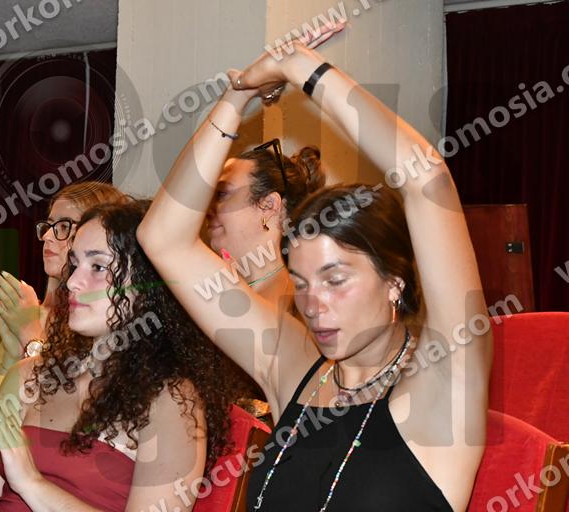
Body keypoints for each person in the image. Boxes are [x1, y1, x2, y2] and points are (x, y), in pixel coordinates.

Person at [137, 26, 491, 511]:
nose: (313, 304)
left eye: (335, 279)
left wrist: (299, 66)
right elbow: (163, 238)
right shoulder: (299, 369)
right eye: (301, 283)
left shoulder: (444, 380)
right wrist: (235, 98)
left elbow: (427, 179)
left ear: (394, 280)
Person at [0, 200, 235, 511]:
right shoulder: (28, 375)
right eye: (74, 264)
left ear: (148, 284)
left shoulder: (173, 400)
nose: (72, 282)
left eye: (98, 267)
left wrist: (32, 483)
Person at [0, 182, 128, 374]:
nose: (46, 236)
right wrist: (11, 356)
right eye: (49, 225)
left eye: (63, 226)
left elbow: (71, 388)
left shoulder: (101, 318)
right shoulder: (30, 310)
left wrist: (30, 336)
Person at [206, 141, 324, 311]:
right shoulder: (220, 291)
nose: (208, 208)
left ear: (269, 205)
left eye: (222, 194)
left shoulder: (298, 302)